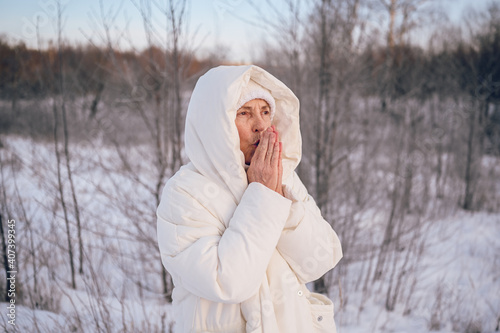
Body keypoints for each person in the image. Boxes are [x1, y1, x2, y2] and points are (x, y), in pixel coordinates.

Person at [156, 65, 343, 333]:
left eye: (265, 112)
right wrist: (264, 198)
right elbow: (228, 282)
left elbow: (322, 258)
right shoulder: (184, 193)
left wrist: (280, 199)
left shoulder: (284, 178)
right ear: (216, 124)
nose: (261, 126)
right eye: (244, 113)